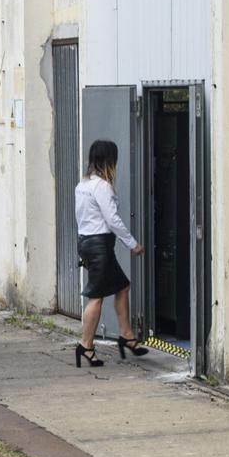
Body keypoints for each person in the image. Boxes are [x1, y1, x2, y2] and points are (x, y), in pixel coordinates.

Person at [75, 139, 148, 367]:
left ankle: (126, 336)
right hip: (100, 246)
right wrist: (132, 243)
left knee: (121, 286)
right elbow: (113, 219)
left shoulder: (83, 185)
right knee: (96, 296)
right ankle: (86, 346)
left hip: (88, 241)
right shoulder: (102, 187)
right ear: (110, 160)